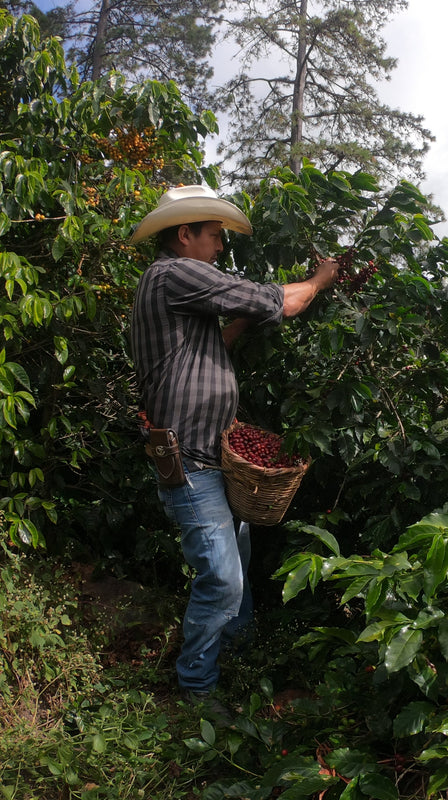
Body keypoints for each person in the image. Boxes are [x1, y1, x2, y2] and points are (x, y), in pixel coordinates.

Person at [128, 185, 339, 717]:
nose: (220, 247)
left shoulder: (178, 299)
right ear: (185, 235)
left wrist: (242, 321)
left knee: (237, 569)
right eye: (215, 236)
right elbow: (278, 301)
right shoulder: (172, 274)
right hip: (190, 460)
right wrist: (318, 281)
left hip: (213, 456)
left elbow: (210, 347)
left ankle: (239, 661)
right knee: (221, 578)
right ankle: (198, 691)